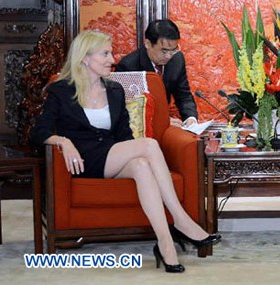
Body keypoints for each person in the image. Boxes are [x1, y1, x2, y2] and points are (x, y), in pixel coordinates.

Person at [31, 30, 220, 273]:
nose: (112, 59)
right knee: (149, 145)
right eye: (105, 54)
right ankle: (182, 221)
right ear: (85, 58)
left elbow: (124, 138)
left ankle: (165, 244)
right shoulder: (62, 91)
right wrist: (63, 141)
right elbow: (38, 133)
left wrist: (133, 152)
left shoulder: (115, 90)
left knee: (141, 164)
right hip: (84, 159)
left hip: (110, 154)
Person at [116, 19, 198, 127]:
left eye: (173, 50)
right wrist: (162, 120)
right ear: (148, 44)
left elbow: (183, 96)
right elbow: (126, 109)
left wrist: (190, 118)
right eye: (164, 51)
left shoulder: (177, 59)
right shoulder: (128, 66)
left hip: (166, 126)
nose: (169, 56)